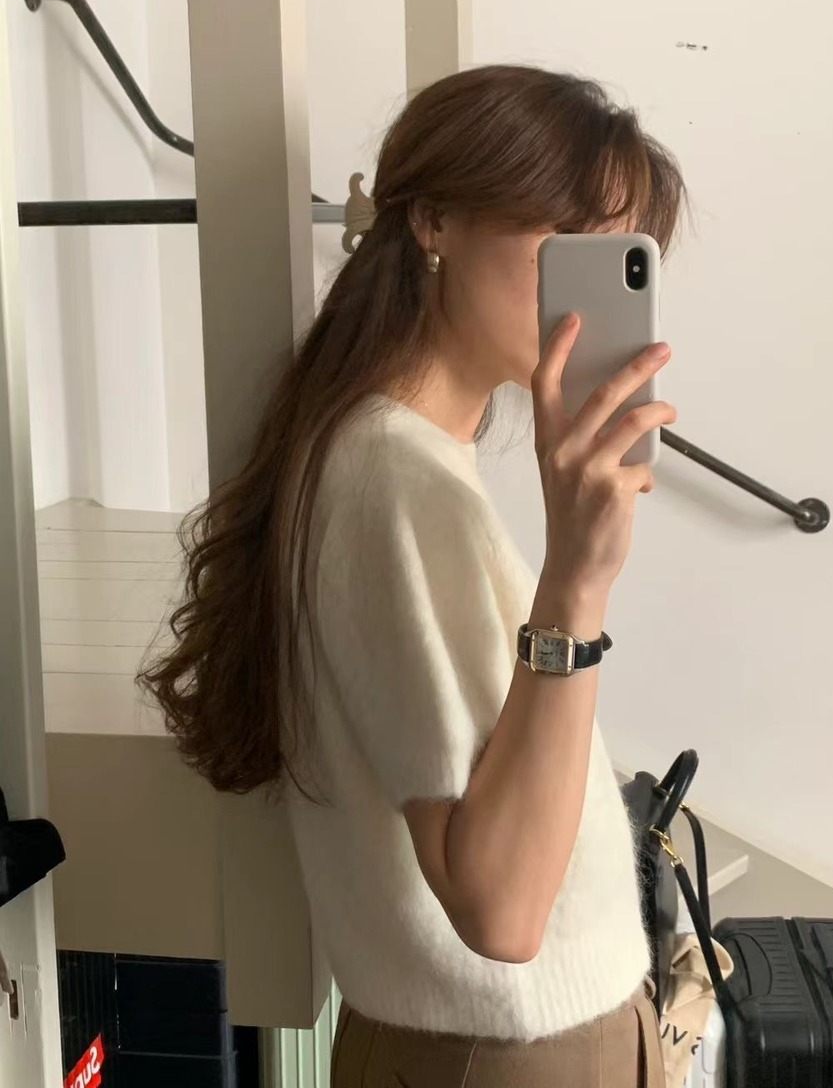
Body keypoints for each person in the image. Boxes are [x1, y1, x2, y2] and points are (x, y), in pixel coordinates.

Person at [140, 64, 684, 1087]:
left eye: (616, 247)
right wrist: (577, 581)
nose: (583, 272)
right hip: (515, 1055)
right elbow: (502, 914)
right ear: (435, 220)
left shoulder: (380, 453)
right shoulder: (395, 482)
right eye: (564, 231)